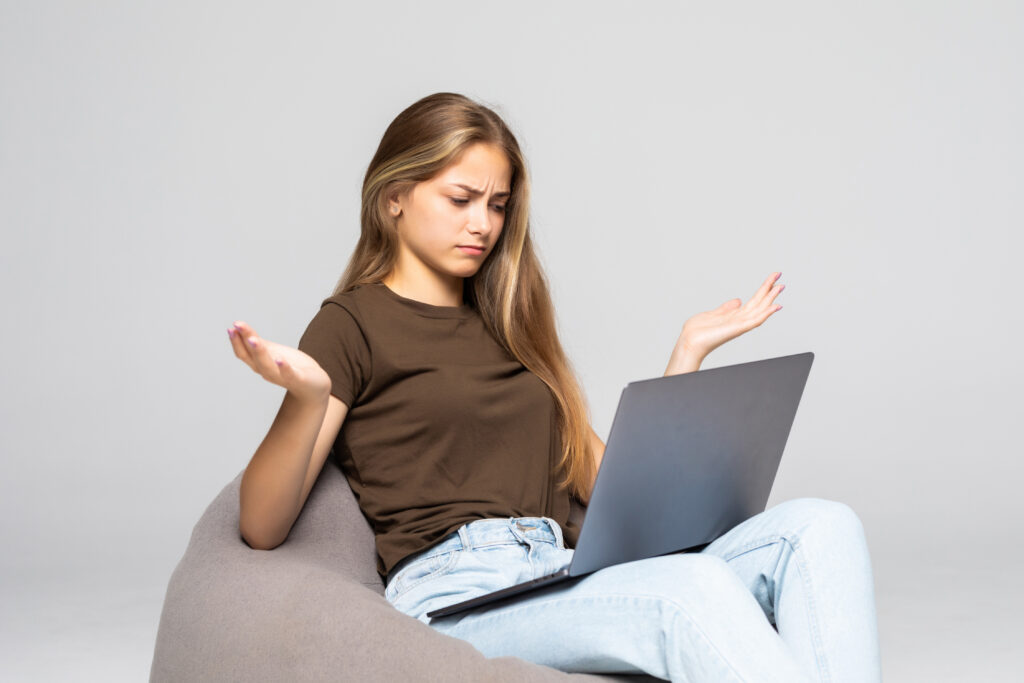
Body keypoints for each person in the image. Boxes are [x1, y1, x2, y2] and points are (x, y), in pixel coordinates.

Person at [227, 92, 882, 682]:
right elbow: (260, 525)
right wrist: (308, 401)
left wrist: (685, 358)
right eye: (460, 199)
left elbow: (623, 498)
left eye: (497, 204)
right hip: (459, 598)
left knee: (821, 528)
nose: (483, 224)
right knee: (688, 588)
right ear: (394, 195)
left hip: (555, 573)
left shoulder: (512, 326)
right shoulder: (351, 324)